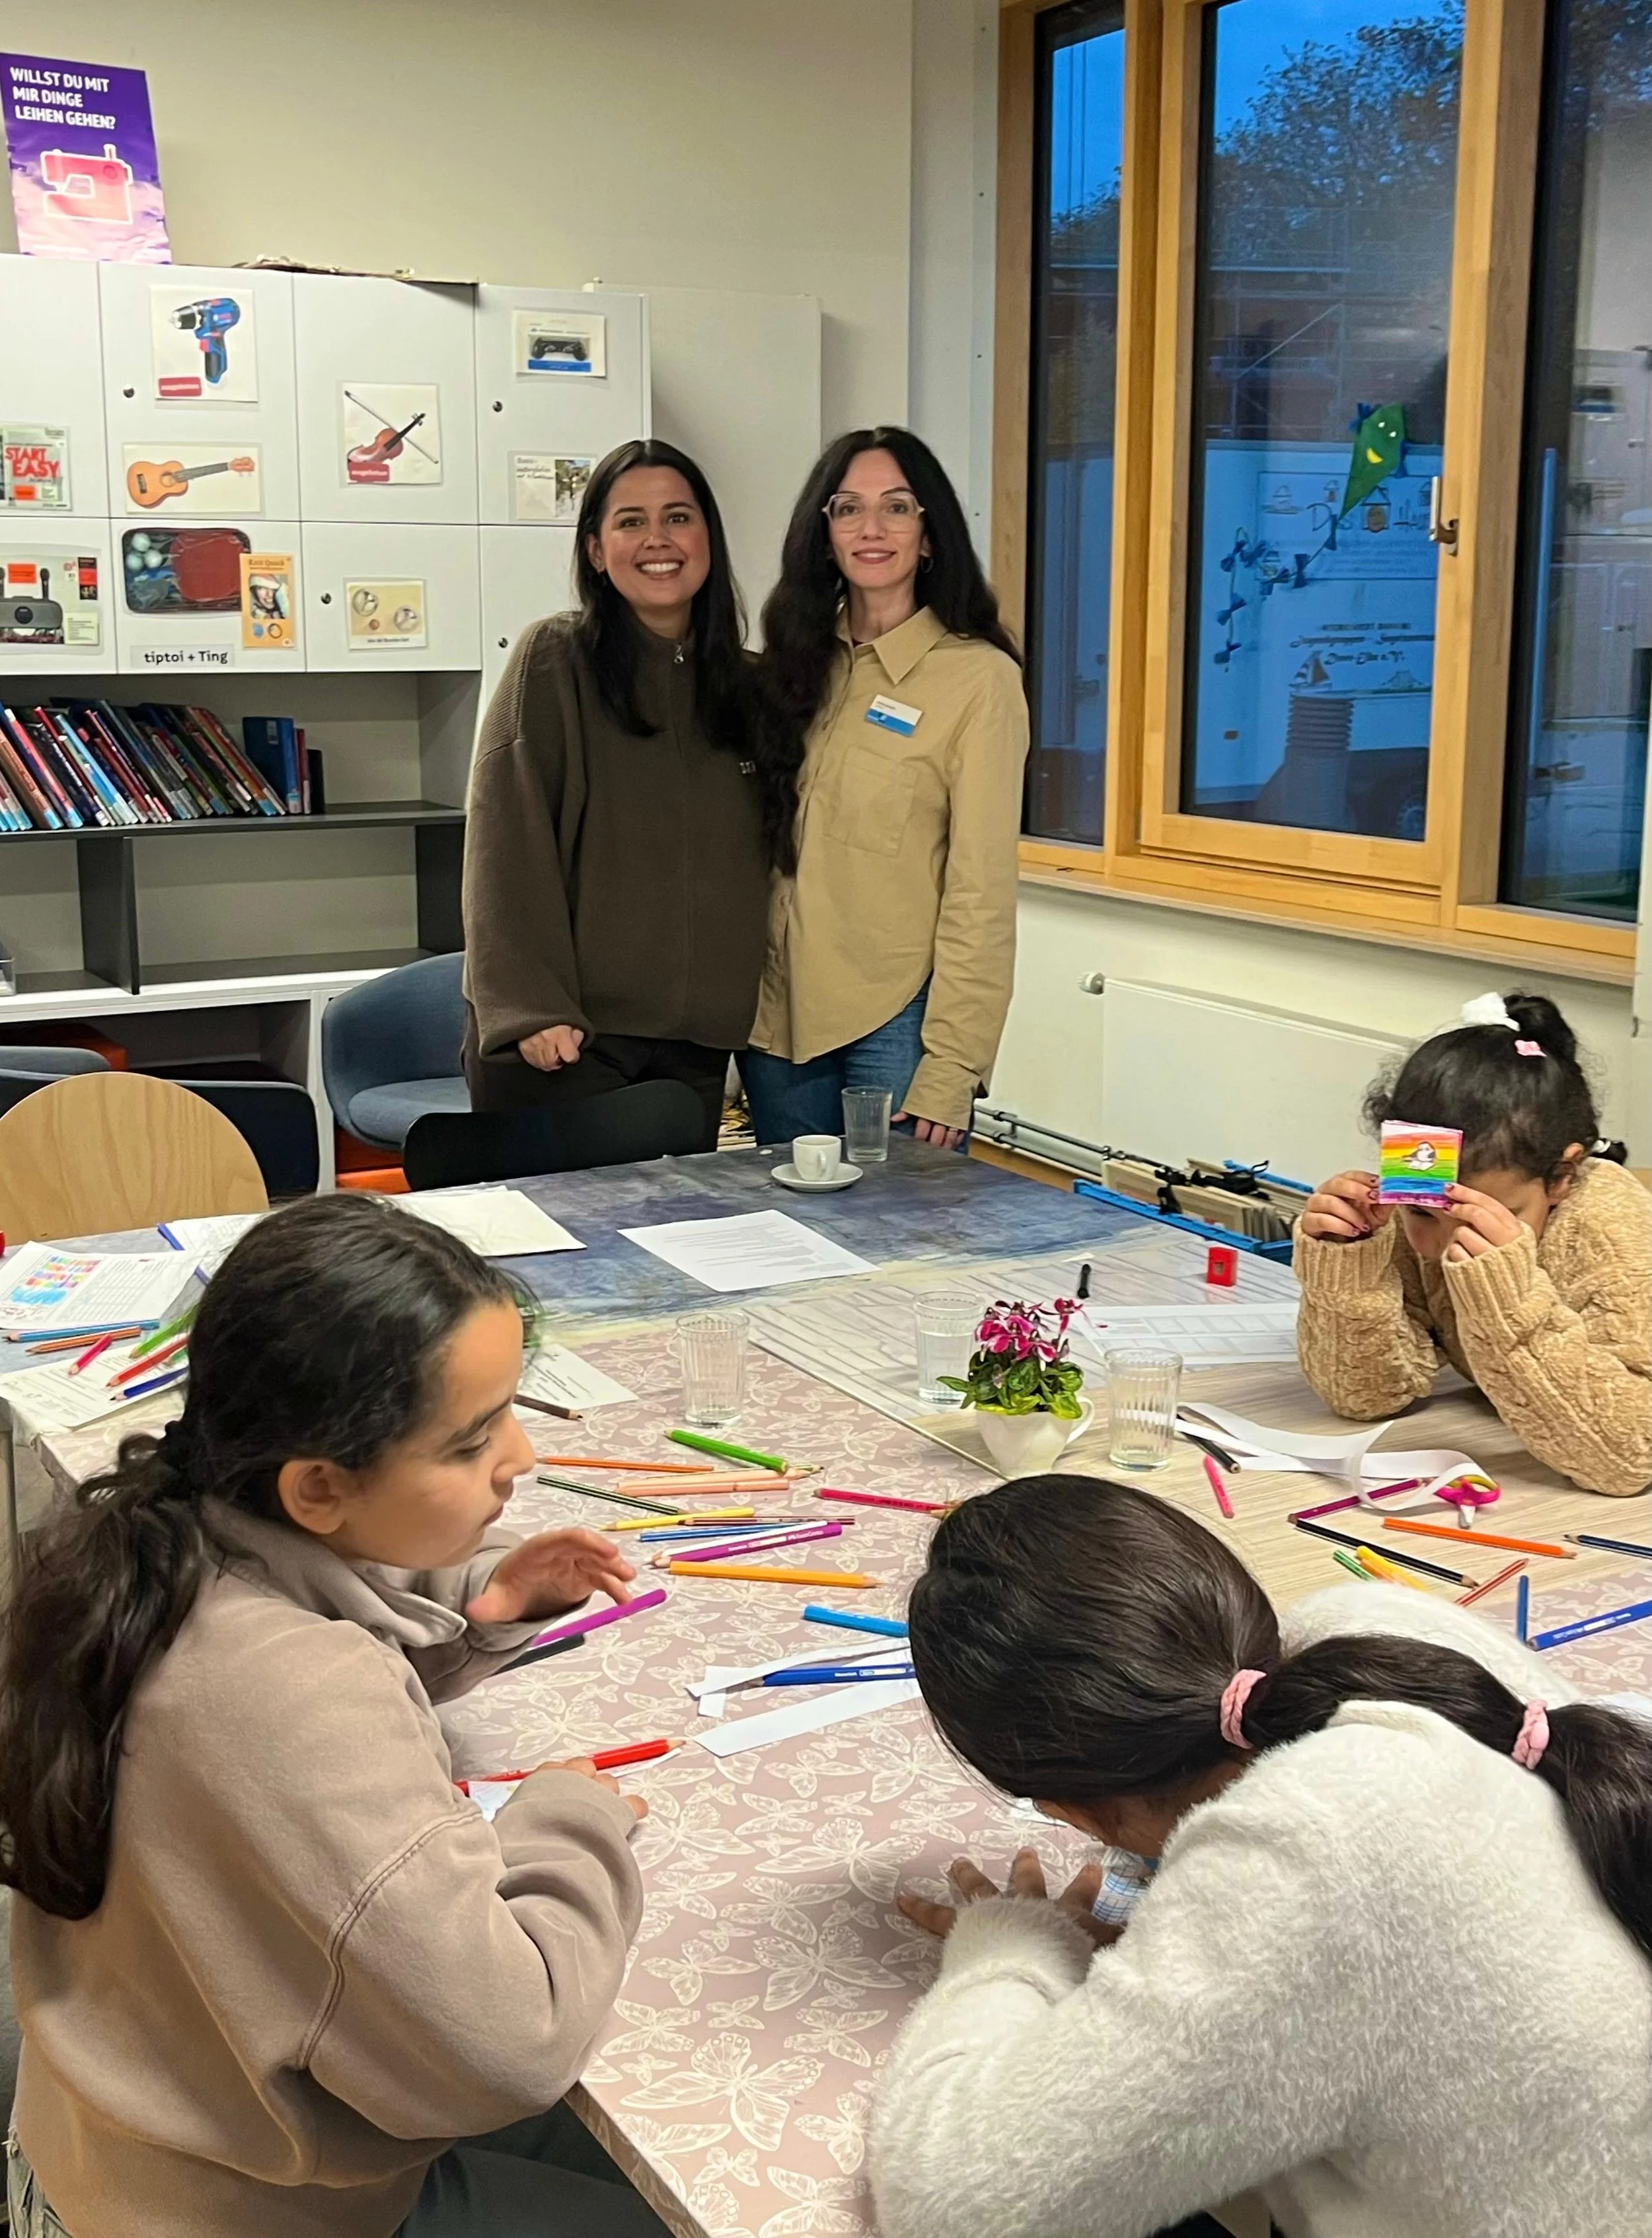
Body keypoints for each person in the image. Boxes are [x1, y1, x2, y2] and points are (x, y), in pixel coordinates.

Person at [0, 1195, 672, 2238]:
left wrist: (468, 1612)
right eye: (471, 1438)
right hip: (224, 2210)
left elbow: (288, 1689)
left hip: (97, 2150)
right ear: (319, 1487)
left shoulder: (164, 1538)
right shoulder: (292, 1691)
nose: (522, 1455)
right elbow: (515, 2046)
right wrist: (565, 1819)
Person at [873, 1475, 1652, 2238]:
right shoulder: (1374, 1638)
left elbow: (951, 2204)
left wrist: (1015, 1939)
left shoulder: (1306, 1851)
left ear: (1069, 1811)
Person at [462, 439, 777, 1152]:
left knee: (671, 1251)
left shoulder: (752, 688)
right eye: (630, 522)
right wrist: (527, 1009)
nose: (657, 540)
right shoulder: (553, 659)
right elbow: (503, 842)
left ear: (709, 540)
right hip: (569, 1039)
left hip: (697, 1043)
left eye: (678, 517)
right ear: (597, 551)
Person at [741, 427, 1028, 1151]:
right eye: (848, 508)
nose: (871, 528)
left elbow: (980, 890)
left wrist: (954, 1064)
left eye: (897, 508)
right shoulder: (787, 666)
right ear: (824, 532)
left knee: (903, 1253)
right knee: (794, 1244)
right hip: (774, 1021)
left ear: (929, 536)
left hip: (896, 1022)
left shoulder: (978, 680)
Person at [1296, 990, 1649, 1497]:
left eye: (1489, 1219)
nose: (1442, 1246)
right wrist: (1348, 1270)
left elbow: (1629, 1459)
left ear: (1560, 1178)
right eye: (1420, 1212)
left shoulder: (1609, 1225)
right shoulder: (1419, 1194)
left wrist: (1509, 1301)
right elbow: (1366, 1396)